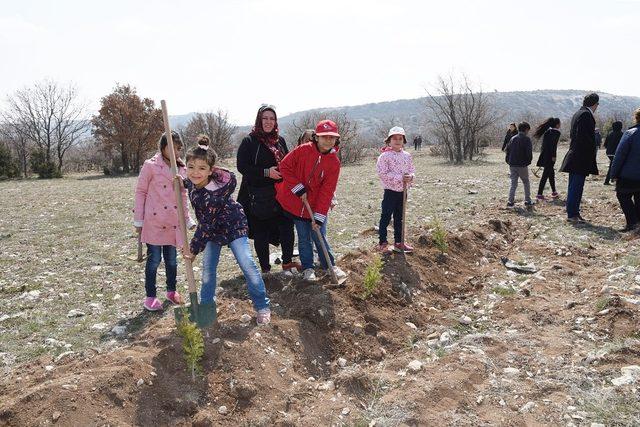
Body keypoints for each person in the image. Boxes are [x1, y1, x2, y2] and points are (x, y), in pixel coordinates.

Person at [180, 135, 271, 325]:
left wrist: (194, 249)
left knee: (246, 262)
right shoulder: (193, 182)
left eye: (202, 168)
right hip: (214, 231)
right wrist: (180, 182)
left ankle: (262, 305)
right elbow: (191, 182)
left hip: (233, 225)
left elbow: (205, 224)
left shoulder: (214, 192)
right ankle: (206, 307)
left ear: (211, 170)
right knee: (208, 270)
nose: (195, 172)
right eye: (191, 167)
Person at [276, 119, 347, 282]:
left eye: (332, 137)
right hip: (297, 202)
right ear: (316, 137)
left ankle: (330, 266)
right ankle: (308, 268)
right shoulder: (302, 150)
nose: (328, 140)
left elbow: (327, 191)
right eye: (324, 136)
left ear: (336, 139)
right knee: (303, 237)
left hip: (316, 205)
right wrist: (298, 188)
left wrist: (319, 216)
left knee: (319, 235)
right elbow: (284, 166)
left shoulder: (334, 163)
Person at [133, 132, 195, 312]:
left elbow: (183, 196)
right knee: (154, 260)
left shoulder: (181, 169)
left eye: (178, 148)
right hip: (154, 221)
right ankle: (150, 297)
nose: (175, 152)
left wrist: (187, 218)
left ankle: (171, 291)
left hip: (173, 223)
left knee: (172, 260)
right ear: (163, 147)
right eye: (171, 147)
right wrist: (138, 219)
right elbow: (141, 192)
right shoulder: (150, 166)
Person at [236, 105, 300, 274]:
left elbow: (287, 163)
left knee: (287, 226)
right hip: (258, 195)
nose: (268, 122)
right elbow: (242, 166)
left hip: (281, 193)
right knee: (261, 232)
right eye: (265, 118)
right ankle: (265, 268)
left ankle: (287, 262)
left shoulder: (281, 141)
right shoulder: (249, 142)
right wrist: (266, 172)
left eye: (272, 119)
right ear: (259, 119)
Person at [560, 93, 600, 223]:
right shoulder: (586, 115)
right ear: (595, 104)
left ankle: (574, 212)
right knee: (576, 187)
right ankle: (572, 214)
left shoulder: (578, 113)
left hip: (576, 155)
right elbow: (583, 137)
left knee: (575, 186)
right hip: (580, 156)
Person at [376, 126, 415, 253]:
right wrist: (400, 177)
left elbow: (411, 170)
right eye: (394, 138)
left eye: (400, 138)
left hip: (403, 192)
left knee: (400, 217)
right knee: (386, 216)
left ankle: (399, 242)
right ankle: (383, 242)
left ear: (404, 140)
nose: (397, 141)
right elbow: (382, 173)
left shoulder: (407, 156)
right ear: (389, 141)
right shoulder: (384, 156)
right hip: (390, 192)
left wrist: (411, 177)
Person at [609, 108, 640, 232]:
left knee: (622, 195)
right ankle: (637, 224)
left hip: (628, 175)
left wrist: (614, 173)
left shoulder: (631, 133)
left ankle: (633, 223)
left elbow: (620, 155)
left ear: (636, 118)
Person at [505, 122, 534, 207]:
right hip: (522, 165)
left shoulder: (513, 138)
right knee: (526, 182)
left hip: (512, 164)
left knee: (513, 183)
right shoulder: (527, 139)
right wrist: (528, 162)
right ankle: (527, 200)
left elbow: (508, 151)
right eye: (528, 130)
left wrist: (509, 161)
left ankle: (510, 201)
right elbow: (529, 153)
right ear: (526, 129)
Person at [533, 117, 561, 201]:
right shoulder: (556, 132)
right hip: (550, 156)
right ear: (557, 124)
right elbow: (553, 146)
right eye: (560, 123)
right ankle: (539, 194)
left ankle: (554, 192)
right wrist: (554, 156)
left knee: (551, 173)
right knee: (545, 175)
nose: (560, 125)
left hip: (545, 155)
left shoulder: (547, 131)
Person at [604, 121, 624, 185]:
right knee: (616, 167)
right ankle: (612, 180)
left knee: (612, 165)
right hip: (616, 153)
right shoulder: (622, 134)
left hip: (609, 153)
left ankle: (609, 180)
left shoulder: (610, 134)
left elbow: (605, 144)